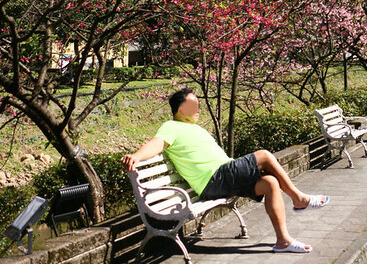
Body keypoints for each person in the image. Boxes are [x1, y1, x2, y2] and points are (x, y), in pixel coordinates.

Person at [121, 88, 328, 254]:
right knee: (264, 155)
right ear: (180, 110)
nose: (198, 108)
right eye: (193, 105)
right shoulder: (171, 126)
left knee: (271, 184)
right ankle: (299, 198)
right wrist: (137, 156)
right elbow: (156, 143)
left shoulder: (196, 128)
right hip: (214, 180)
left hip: (224, 176)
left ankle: (283, 241)